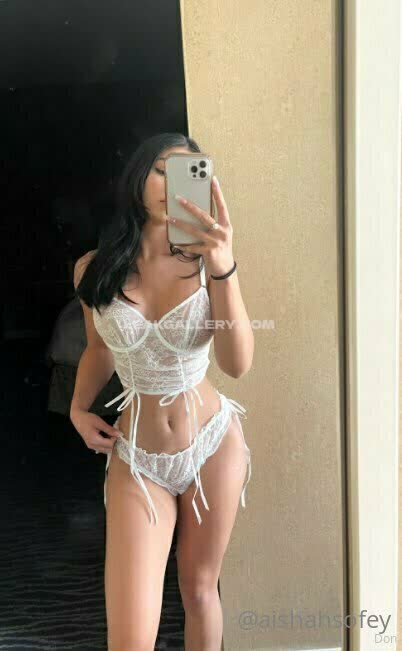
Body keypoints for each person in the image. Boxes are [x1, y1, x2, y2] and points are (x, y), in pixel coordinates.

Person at [70, 132, 254, 650]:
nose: (172, 185)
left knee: (199, 590)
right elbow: (99, 350)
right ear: (137, 176)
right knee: (129, 638)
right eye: (161, 170)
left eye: (185, 174)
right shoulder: (93, 268)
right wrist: (78, 409)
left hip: (212, 444)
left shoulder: (208, 264)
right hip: (138, 457)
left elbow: (237, 364)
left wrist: (224, 265)